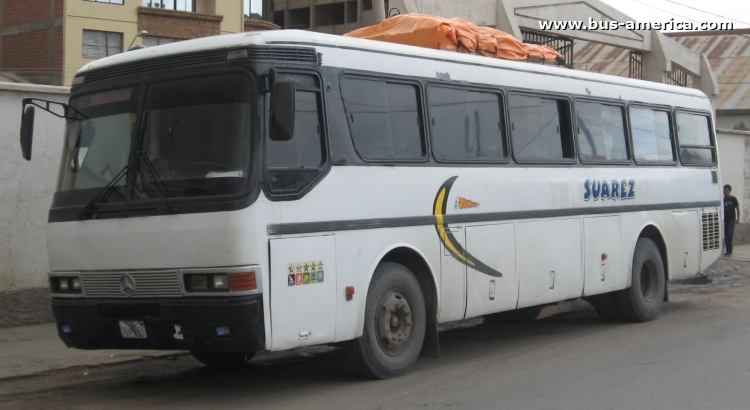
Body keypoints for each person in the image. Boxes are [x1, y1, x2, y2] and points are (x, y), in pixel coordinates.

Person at [723, 184, 740, 256]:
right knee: (726, 235)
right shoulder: (723, 199)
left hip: (731, 220)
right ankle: (727, 250)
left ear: (730, 191)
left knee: (730, 234)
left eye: (727, 190)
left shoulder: (733, 199)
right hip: (725, 220)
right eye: (724, 190)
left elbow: (738, 209)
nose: (725, 192)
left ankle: (730, 251)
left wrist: (738, 219)